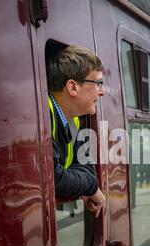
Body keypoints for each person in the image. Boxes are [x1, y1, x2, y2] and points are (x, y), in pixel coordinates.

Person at [46, 45, 105, 217]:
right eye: (98, 83)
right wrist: (91, 188)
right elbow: (53, 176)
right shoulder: (44, 115)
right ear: (73, 87)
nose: (102, 92)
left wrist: (86, 185)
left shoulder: (72, 120)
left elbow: (86, 168)